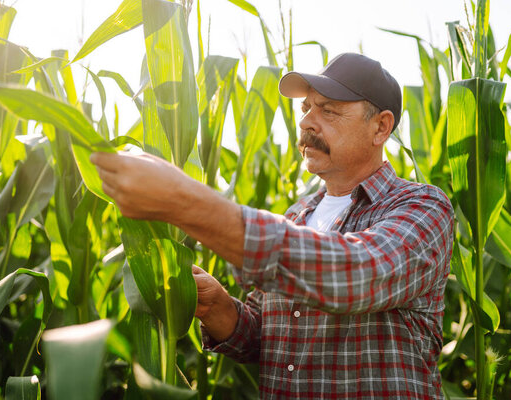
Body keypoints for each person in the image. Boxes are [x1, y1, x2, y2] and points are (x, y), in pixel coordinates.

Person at [91, 52, 454, 399]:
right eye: (306, 107)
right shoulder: (297, 216)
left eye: (329, 110)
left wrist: (185, 201)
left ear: (381, 127)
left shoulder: (422, 207)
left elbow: (358, 276)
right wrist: (219, 308)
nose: (307, 121)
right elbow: (267, 339)